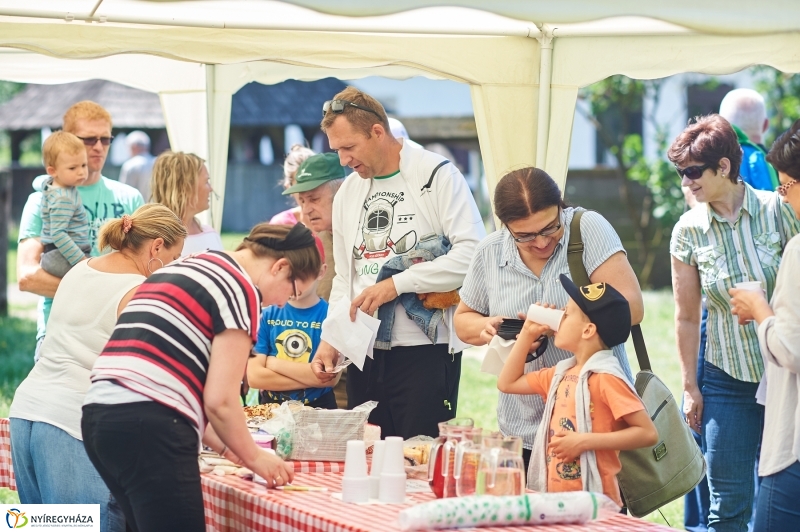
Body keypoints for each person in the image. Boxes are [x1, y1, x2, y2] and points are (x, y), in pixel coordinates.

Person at [82, 223, 318, 532]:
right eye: (293, 290)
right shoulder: (240, 287)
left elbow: (177, 386)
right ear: (280, 267)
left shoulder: (191, 264)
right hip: (151, 425)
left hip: (100, 417)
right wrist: (256, 458)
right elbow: (220, 401)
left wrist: (231, 451)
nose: (283, 302)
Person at [310, 86, 486, 440]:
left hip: (426, 352)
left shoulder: (437, 174)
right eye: (336, 149)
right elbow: (345, 277)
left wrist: (397, 284)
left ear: (377, 132)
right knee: (369, 456)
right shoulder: (348, 193)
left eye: (349, 147)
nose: (343, 160)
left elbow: (473, 255)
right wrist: (332, 337)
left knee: (418, 458)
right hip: (364, 351)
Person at [10, 204, 186, 532]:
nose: (173, 268)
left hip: (26, 414)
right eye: (174, 258)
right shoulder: (140, 291)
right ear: (157, 247)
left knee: (40, 528)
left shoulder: (81, 267)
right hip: (72, 425)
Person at [454, 167, 643, 471]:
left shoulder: (588, 228)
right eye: (524, 236)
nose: (541, 243)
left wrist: (559, 321)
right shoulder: (489, 251)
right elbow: (463, 321)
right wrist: (489, 329)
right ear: (505, 226)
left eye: (550, 228)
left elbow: (631, 307)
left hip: (593, 425)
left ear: (560, 207)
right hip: (523, 428)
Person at [669, 114, 800, 532]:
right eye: (681, 173)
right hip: (727, 379)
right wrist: (690, 386)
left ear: (723, 166)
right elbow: (687, 316)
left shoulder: (778, 210)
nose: (686, 182)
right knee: (727, 508)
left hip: (786, 378)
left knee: (786, 499)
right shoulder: (687, 232)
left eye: (693, 172)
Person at [498, 276, 658, 507]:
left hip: (595, 501)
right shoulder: (560, 374)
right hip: (555, 498)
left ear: (588, 330)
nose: (559, 318)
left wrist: (583, 441)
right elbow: (507, 383)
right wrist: (527, 334)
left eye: (567, 313)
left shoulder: (606, 378)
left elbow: (647, 433)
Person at [17, 101, 144, 362]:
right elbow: (28, 276)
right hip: (60, 332)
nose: (98, 147)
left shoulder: (130, 198)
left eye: (105, 139)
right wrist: (97, 294)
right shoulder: (42, 199)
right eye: (88, 139)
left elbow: (145, 267)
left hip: (118, 333)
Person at [728, 119, 800, 531]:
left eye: (786, 187)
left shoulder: (798, 249)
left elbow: (791, 349)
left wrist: (759, 309)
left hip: (793, 448)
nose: (784, 198)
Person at [247, 261, 340, 408]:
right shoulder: (266, 315)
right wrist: (311, 378)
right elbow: (255, 377)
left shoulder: (332, 316)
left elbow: (330, 378)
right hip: (273, 408)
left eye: (301, 275)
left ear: (321, 271)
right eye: (288, 275)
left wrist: (274, 363)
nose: (294, 283)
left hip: (319, 408)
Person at [284, 152, 345, 300]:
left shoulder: (367, 235)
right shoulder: (316, 243)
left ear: (341, 191)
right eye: (302, 201)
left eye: (314, 199)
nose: (306, 210)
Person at [38, 131, 91, 277]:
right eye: (73, 168)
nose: (81, 172)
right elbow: (58, 234)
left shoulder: (54, 186)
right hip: (61, 255)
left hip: (59, 253)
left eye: (84, 165)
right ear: (52, 171)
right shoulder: (63, 198)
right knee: (92, 277)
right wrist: (81, 261)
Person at [150, 150, 222, 256]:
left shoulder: (211, 234)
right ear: (186, 187)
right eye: (206, 181)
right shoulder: (154, 240)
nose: (211, 189)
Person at [270, 144, 315, 226]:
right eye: (300, 186)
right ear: (288, 187)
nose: (308, 191)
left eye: (313, 183)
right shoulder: (281, 224)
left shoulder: (335, 220)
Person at [118, 130, 155, 200]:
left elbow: (124, 192)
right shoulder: (157, 162)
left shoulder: (129, 165)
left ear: (134, 147)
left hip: (137, 206)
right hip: (156, 205)